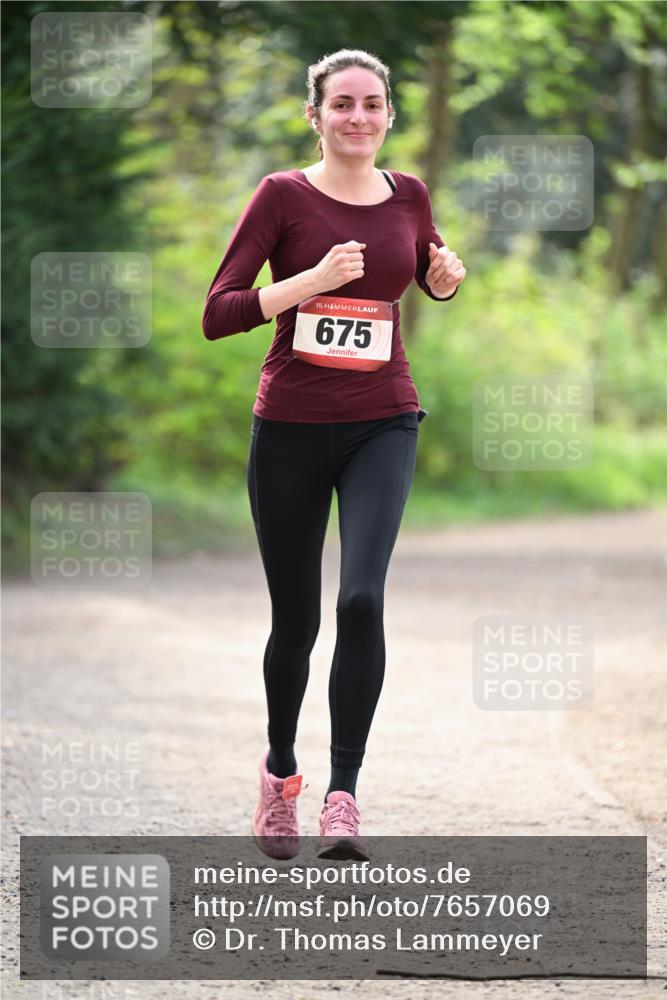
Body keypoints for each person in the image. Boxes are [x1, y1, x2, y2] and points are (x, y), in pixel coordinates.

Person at [202, 48, 466, 862]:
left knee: (360, 601)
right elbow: (219, 312)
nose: (358, 117)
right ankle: (281, 774)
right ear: (314, 115)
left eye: (373, 104)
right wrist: (307, 281)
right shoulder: (281, 196)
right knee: (298, 620)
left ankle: (344, 793)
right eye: (341, 104)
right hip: (288, 425)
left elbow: (426, 270)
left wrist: (446, 278)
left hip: (382, 419)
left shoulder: (409, 194)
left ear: (389, 115)